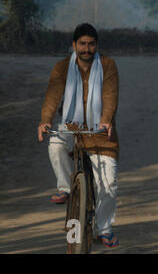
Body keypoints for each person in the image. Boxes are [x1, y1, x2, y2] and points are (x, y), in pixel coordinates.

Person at [37, 23, 120, 248]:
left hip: (100, 131)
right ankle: (65, 188)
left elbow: (110, 96)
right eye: (82, 44)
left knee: (109, 184)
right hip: (71, 126)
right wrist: (45, 120)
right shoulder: (62, 67)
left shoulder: (108, 65)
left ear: (96, 46)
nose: (86, 49)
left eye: (91, 44)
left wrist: (105, 120)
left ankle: (104, 229)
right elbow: (53, 95)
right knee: (55, 144)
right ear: (74, 45)